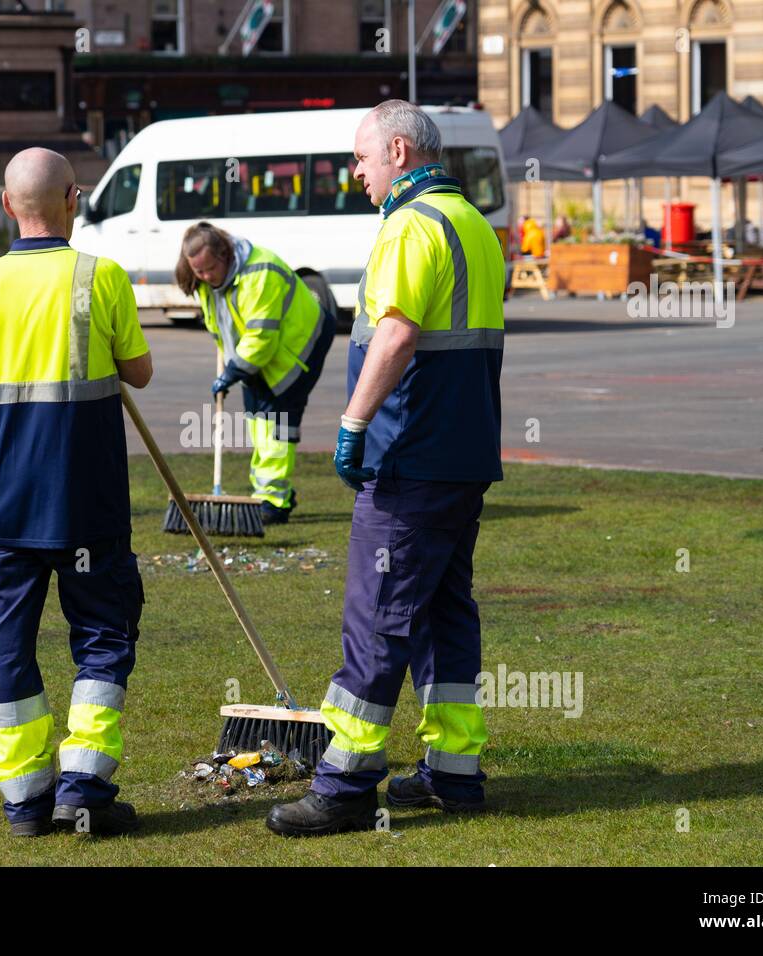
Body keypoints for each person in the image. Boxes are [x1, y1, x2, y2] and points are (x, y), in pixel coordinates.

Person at [267, 99, 505, 836]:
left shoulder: (410, 224)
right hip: (464, 455)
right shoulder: (472, 224)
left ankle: (346, 781)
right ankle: (454, 772)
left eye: (363, 159)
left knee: (378, 614)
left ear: (399, 152)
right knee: (444, 611)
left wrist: (351, 423)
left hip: (411, 455)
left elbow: (397, 334)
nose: (357, 173)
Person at [0, 147, 153, 838]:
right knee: (102, 635)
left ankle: (25, 799)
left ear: (7, 205)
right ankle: (84, 785)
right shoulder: (101, 277)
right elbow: (140, 370)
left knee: (10, 642)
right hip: (85, 503)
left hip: (5, 504)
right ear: (75, 199)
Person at [176, 222, 335, 524]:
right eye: (199, 272)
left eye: (210, 269)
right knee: (255, 418)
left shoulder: (261, 272)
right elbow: (223, 326)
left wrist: (234, 371)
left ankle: (273, 502)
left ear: (225, 254)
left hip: (298, 345)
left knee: (276, 420)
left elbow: (261, 336)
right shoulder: (210, 283)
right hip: (258, 355)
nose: (206, 277)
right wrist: (233, 367)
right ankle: (273, 493)